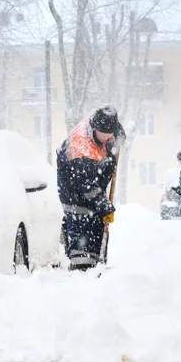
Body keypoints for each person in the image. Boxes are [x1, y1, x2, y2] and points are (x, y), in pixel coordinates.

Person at [56, 105, 125, 270]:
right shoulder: (81, 149)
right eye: (103, 134)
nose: (107, 137)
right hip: (75, 194)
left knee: (97, 226)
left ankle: (96, 264)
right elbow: (88, 187)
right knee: (82, 241)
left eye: (110, 134)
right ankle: (82, 271)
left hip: (92, 189)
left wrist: (118, 136)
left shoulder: (98, 122)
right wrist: (105, 206)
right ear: (94, 128)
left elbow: (115, 132)